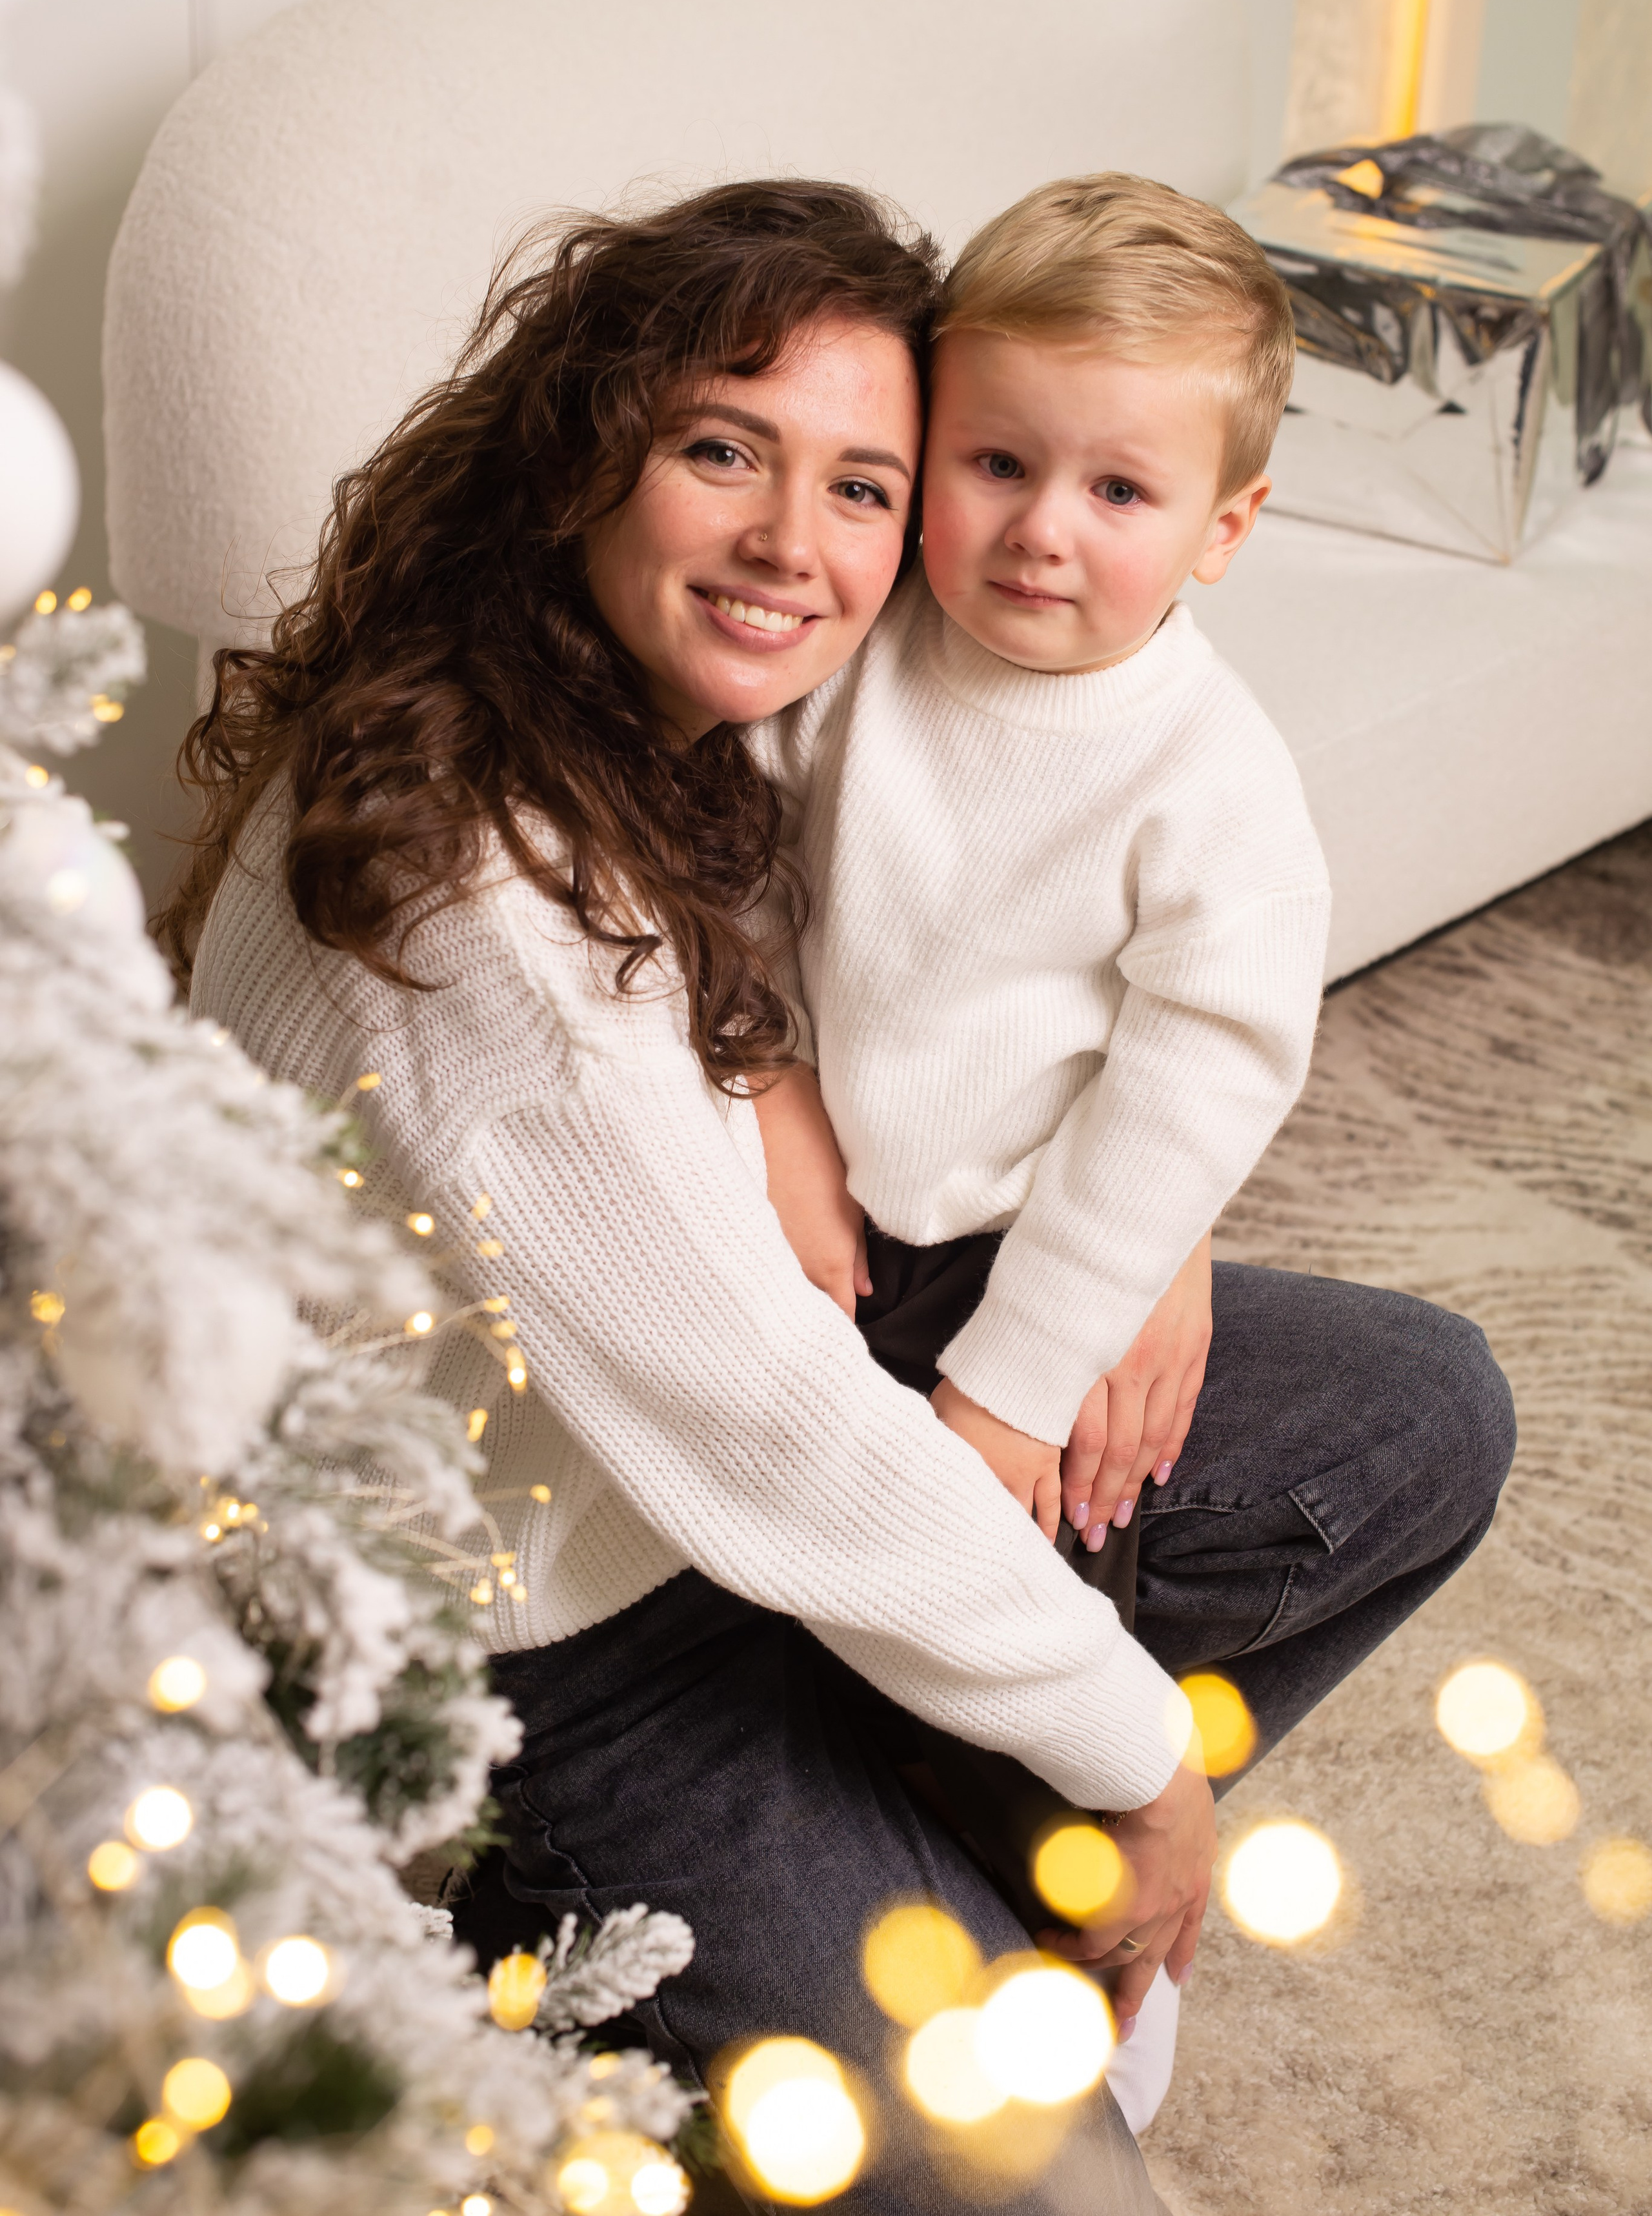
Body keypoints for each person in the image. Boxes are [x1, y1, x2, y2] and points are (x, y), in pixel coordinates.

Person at [163, 179, 1514, 2211]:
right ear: (587, 448)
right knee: (1068, 2189)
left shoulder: (681, 696)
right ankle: (553, 1961)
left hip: (768, 1401)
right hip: (556, 1631)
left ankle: (907, 1793)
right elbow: (783, 1435)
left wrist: (1126, 1250)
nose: (801, 541)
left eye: (862, 482)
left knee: (1420, 1410)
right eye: (724, 449)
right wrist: (1141, 1773)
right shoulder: (485, 926)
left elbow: (1109, 1025)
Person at [745, 170, 1333, 2115]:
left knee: (1060, 1600)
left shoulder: (1206, 775)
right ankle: (859, 1801)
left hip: (1032, 1259)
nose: (1037, 532)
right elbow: (720, 868)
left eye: (1119, 493)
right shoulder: (857, 653)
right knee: (811, 1595)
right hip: (824, 1221)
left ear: (1224, 528)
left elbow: (1197, 1078)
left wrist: (1016, 1380)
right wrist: (772, 1082)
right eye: (992, 462)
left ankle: (1081, 1906)